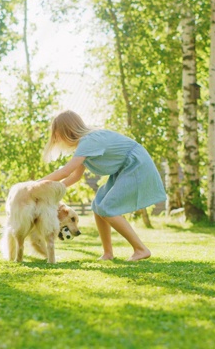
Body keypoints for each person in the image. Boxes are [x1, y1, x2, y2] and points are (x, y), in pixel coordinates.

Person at [40, 110, 167, 261]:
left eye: (57, 134)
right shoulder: (84, 145)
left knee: (107, 208)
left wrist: (36, 185)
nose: (57, 139)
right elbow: (76, 176)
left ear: (66, 131)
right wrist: (52, 191)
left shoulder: (89, 140)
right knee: (98, 205)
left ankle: (141, 249)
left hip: (135, 165)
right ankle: (108, 253)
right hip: (124, 168)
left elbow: (66, 171)